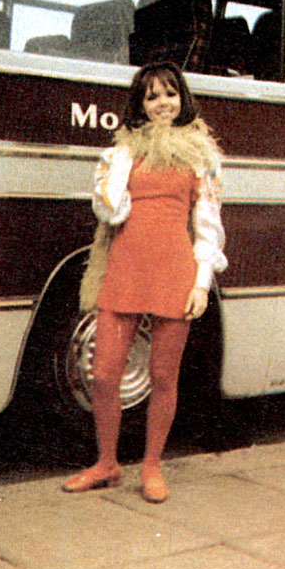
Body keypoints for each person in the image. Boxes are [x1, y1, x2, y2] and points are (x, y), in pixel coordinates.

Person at [62, 62, 227, 503]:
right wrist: (111, 177)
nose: (162, 103)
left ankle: (152, 466)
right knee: (103, 375)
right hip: (126, 267)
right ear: (140, 104)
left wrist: (200, 283)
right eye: (152, 96)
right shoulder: (121, 153)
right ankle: (107, 463)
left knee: (163, 376)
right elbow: (109, 211)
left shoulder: (201, 157)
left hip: (175, 271)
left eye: (170, 93)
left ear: (182, 98)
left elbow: (209, 225)